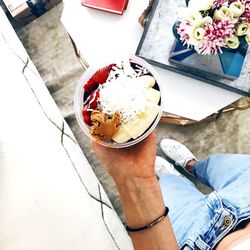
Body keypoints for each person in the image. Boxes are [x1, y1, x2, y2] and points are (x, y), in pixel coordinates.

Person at [92, 131, 250, 250]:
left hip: (194, 238)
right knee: (217, 164)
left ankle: (174, 179)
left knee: (169, 189)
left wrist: (136, 181)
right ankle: (193, 166)